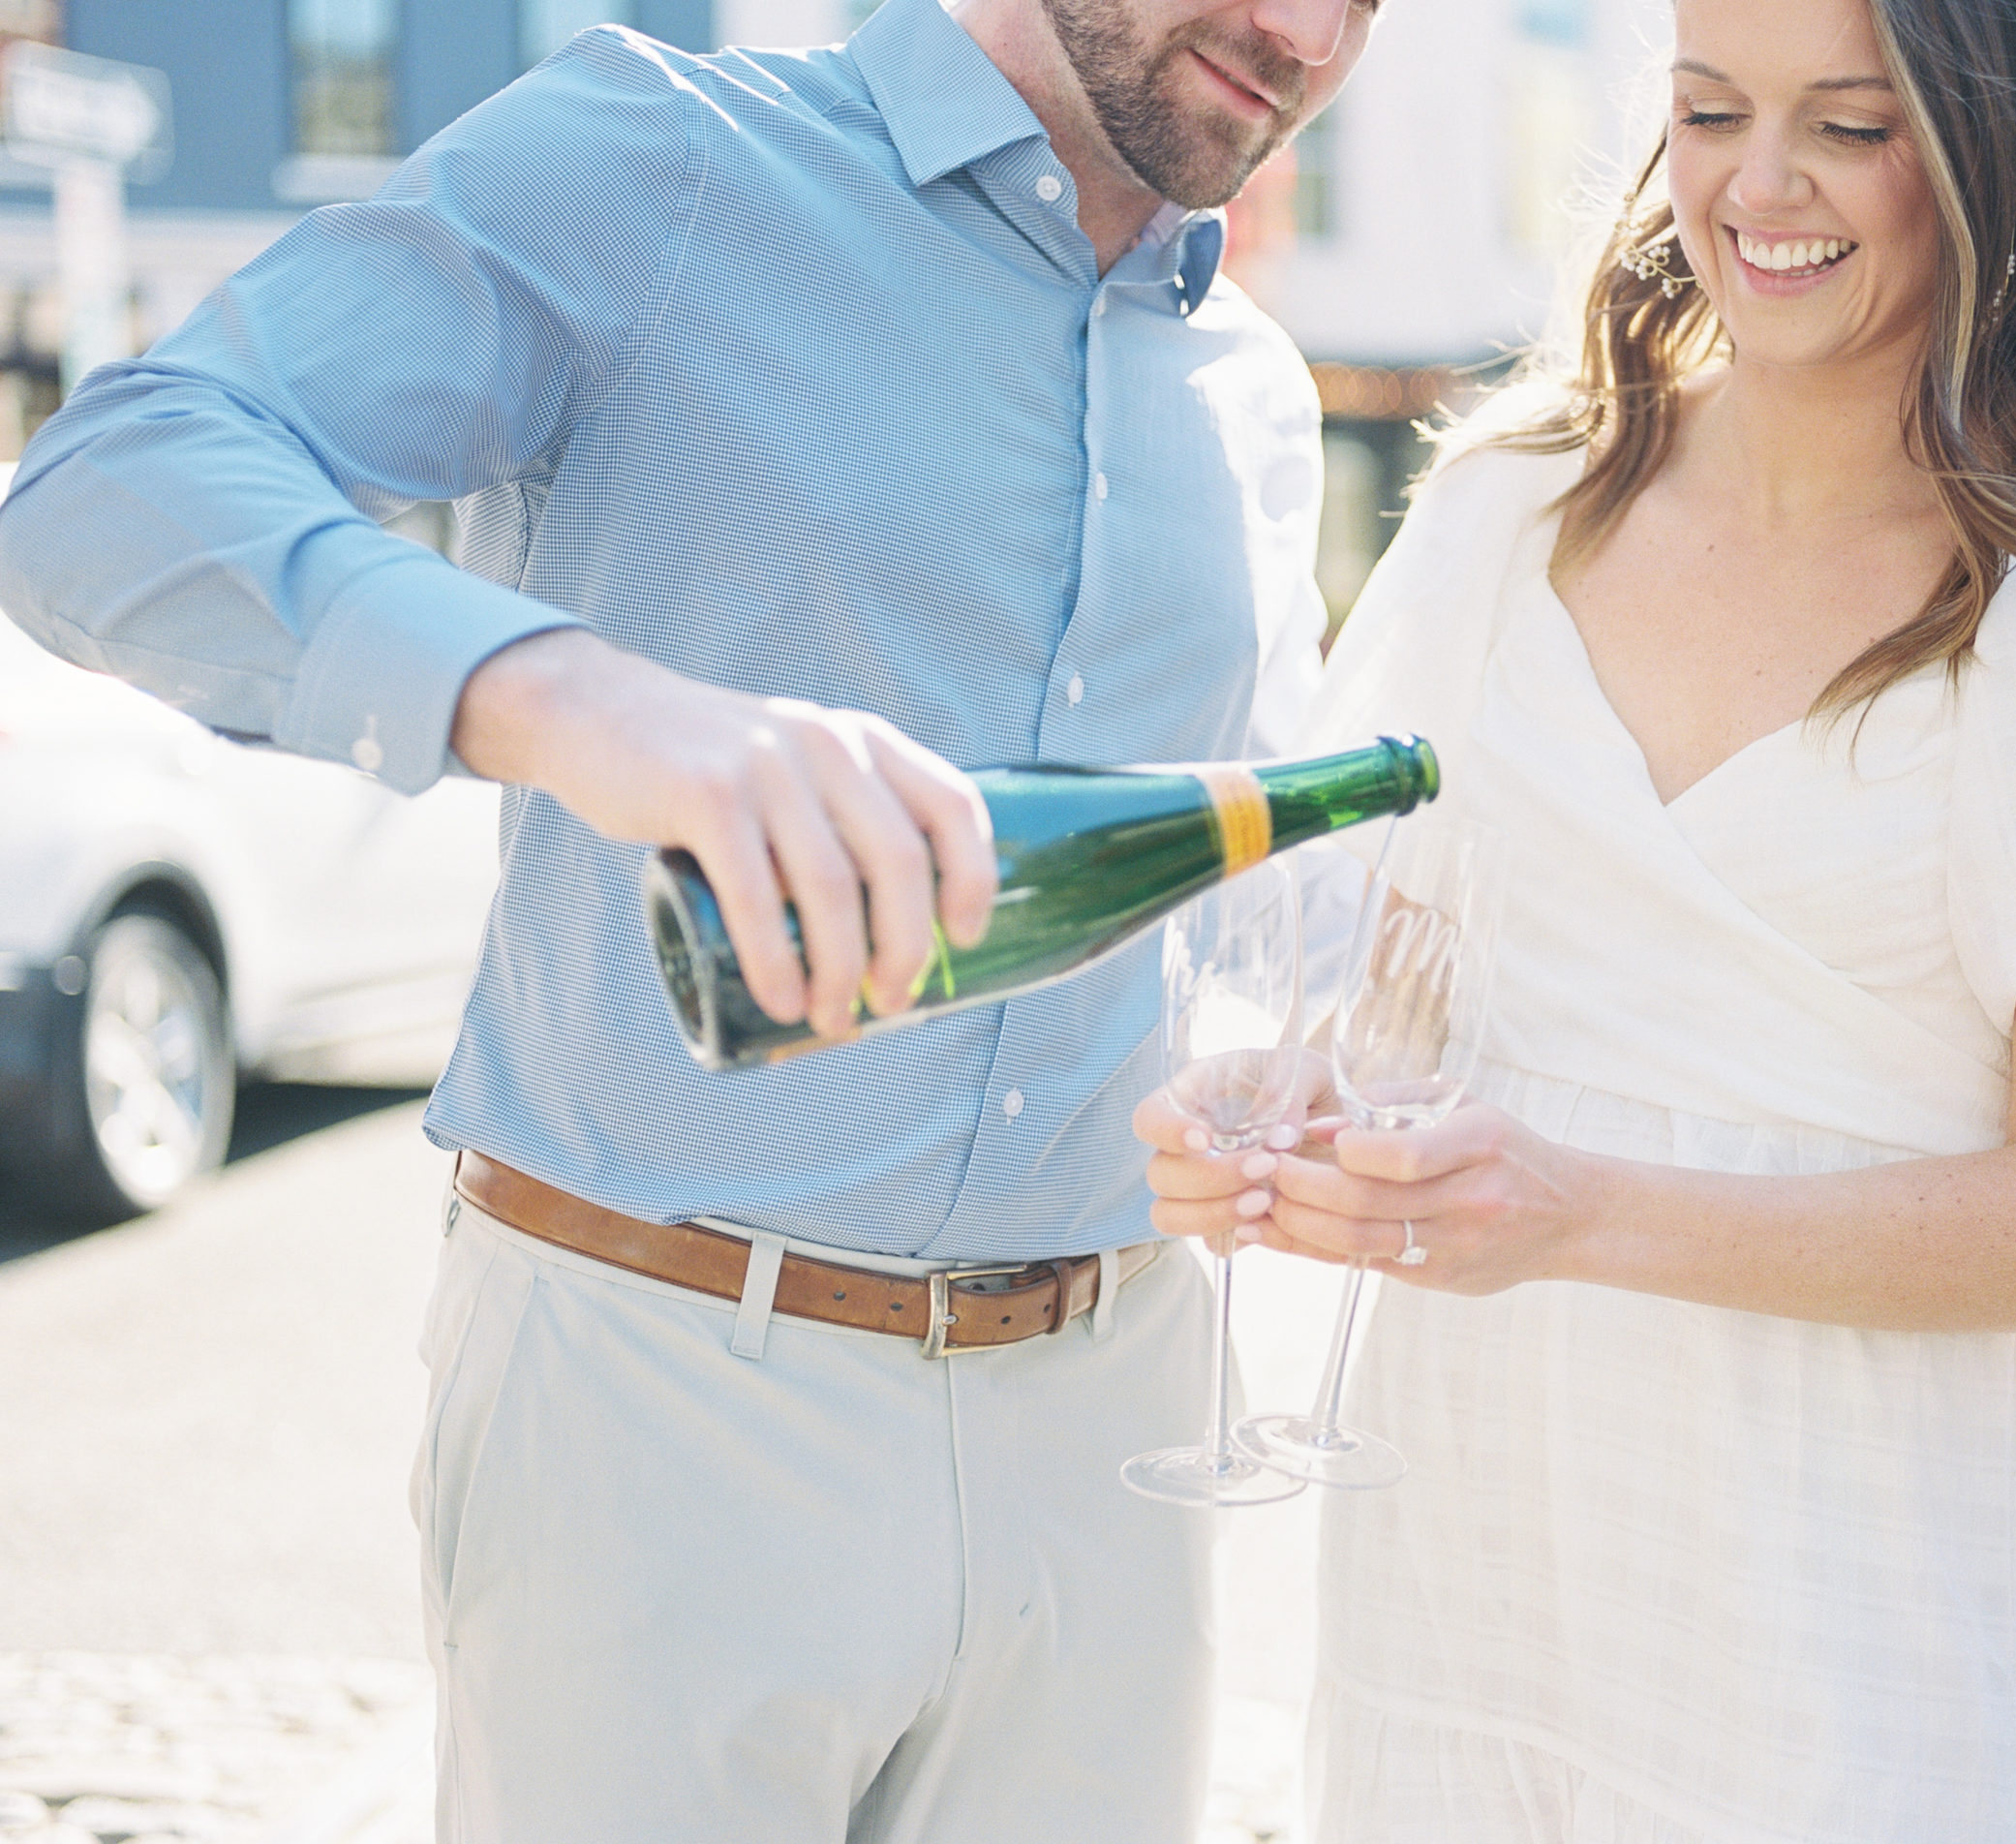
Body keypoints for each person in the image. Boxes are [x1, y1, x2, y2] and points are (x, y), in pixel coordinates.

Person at [0, 0, 1381, 1835]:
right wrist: (578, 703)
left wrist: (1302, 1053)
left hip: (1118, 1420)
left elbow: (1243, 899)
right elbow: (102, 489)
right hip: (664, 1397)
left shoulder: (1257, 390)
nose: (1307, 31)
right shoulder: (661, 161)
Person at [1140, 0, 2016, 1836]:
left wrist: (1579, 1209)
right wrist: (1270, 1108)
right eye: (1708, 110)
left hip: (1834, 1615)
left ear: (2008, 143)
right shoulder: (1519, 499)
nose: (1760, 186)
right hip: (1462, 1560)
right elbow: (1402, 1000)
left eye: (1851, 125)